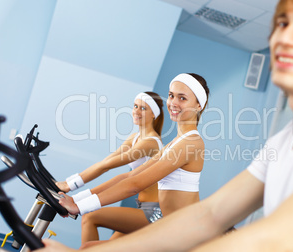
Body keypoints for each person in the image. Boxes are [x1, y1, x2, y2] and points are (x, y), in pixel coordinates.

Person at [34, 0, 293, 251]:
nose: (285, 36)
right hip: (161, 217)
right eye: (283, 22)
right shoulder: (287, 140)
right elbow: (208, 216)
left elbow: (280, 240)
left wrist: (81, 201)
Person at [58, 73, 210, 247]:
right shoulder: (175, 143)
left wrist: (80, 207)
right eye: (171, 95)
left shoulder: (191, 143)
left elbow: (135, 184)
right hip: (168, 227)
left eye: (182, 98)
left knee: (89, 246)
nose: (173, 102)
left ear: (199, 105)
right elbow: (128, 177)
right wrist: (78, 199)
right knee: (89, 248)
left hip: (181, 233)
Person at [57, 91, 165, 245]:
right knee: (99, 247)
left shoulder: (150, 143)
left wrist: (70, 186)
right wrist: (74, 195)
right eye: (135, 106)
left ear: (154, 114)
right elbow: (106, 163)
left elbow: (109, 167)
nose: (136, 111)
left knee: (90, 217)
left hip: (154, 214)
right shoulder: (134, 138)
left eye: (143, 108)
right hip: (143, 209)